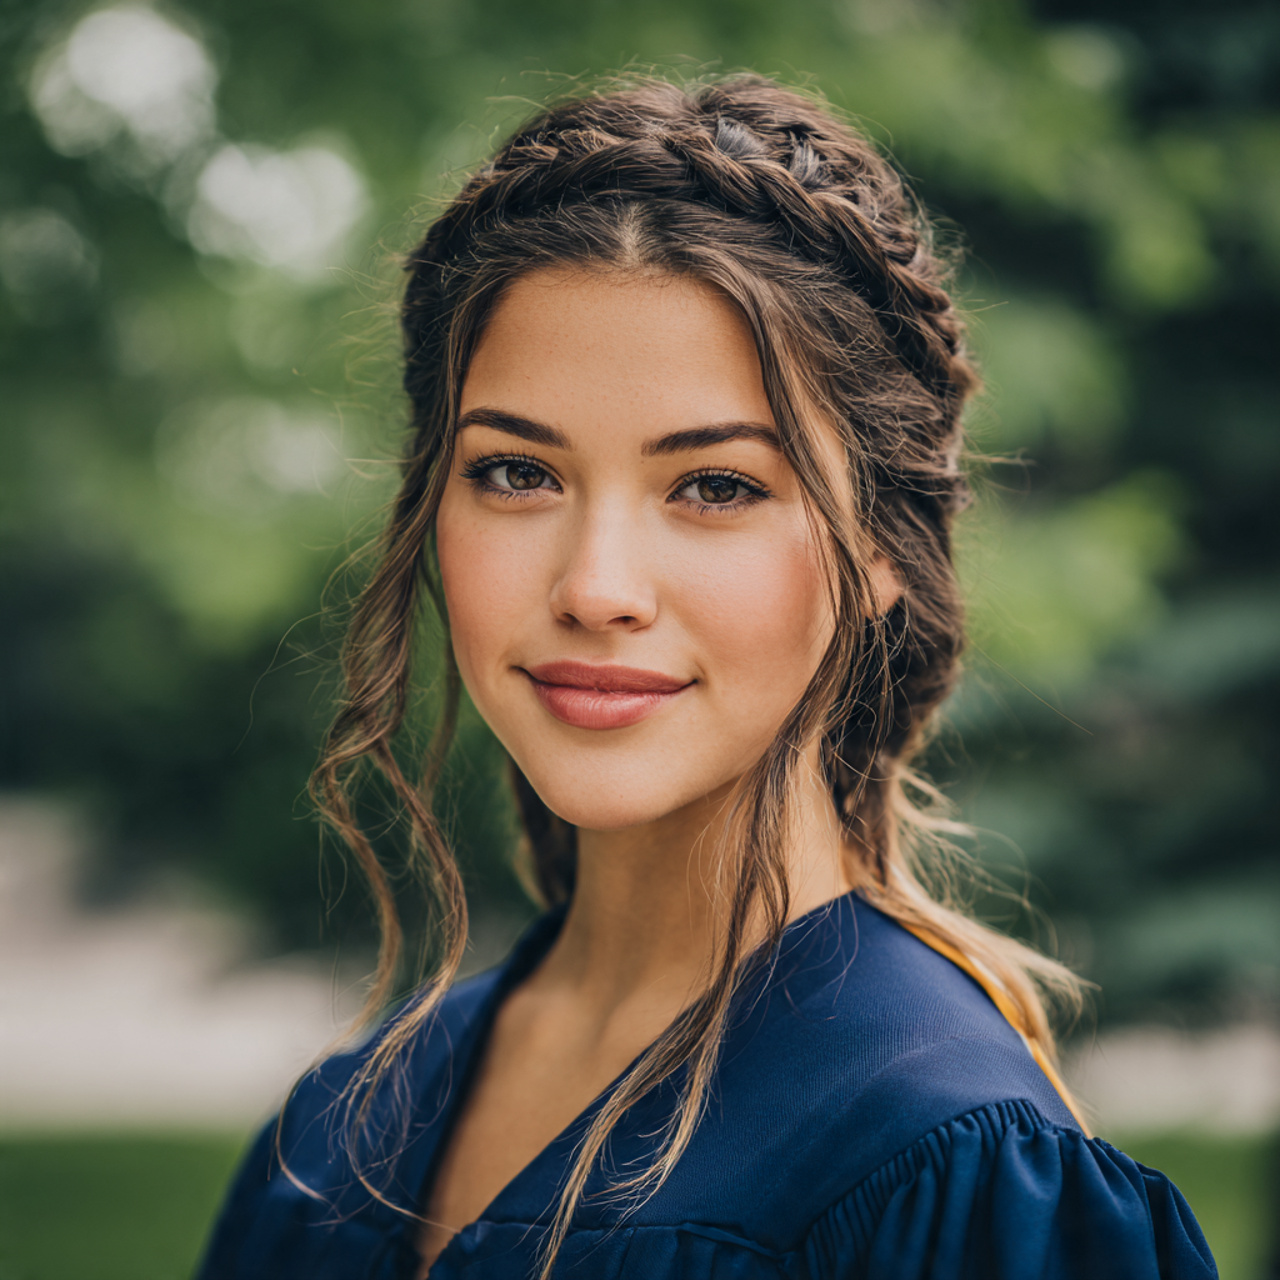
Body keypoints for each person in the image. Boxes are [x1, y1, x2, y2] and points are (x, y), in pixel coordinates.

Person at [197, 75, 1217, 1279]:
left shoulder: (951, 1168)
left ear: (882, 544)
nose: (595, 585)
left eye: (717, 486)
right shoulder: (340, 1129)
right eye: (517, 471)